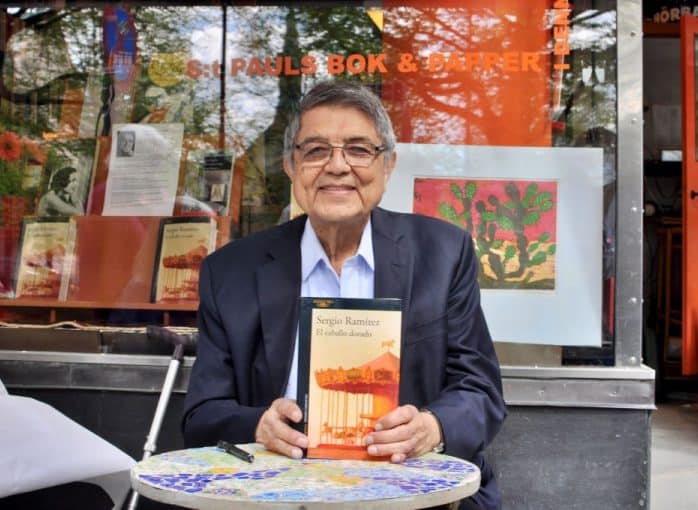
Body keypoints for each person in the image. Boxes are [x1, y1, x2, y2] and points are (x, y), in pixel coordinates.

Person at [183, 80, 507, 509]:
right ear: (290, 165)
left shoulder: (443, 253)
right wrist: (259, 426)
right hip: (276, 496)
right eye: (316, 150)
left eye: (358, 149)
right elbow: (202, 415)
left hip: (412, 495)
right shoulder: (231, 272)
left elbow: (480, 391)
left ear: (388, 165)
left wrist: (431, 428)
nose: (337, 166)